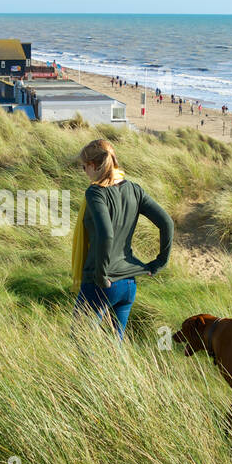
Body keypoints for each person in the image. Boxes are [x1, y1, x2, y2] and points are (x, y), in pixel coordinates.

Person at [71, 138, 172, 340]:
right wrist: (160, 262)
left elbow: (106, 234)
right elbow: (167, 222)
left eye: (84, 167)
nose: (84, 172)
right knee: (114, 347)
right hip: (129, 284)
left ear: (92, 165)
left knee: (79, 341)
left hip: (102, 282)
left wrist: (101, 276)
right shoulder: (135, 190)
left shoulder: (95, 192)